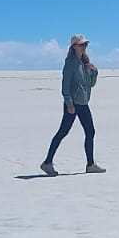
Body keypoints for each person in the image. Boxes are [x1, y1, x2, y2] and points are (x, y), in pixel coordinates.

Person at [40, 34, 105, 176]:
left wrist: (94, 72)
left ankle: (90, 164)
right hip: (74, 104)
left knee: (90, 131)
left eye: (85, 45)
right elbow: (65, 85)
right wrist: (69, 103)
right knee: (63, 132)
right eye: (81, 45)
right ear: (74, 46)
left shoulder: (84, 63)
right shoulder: (70, 63)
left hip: (83, 103)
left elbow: (90, 85)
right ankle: (47, 162)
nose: (84, 47)